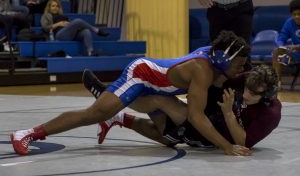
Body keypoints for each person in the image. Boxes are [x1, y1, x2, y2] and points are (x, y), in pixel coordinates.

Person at [10, 30, 252, 156]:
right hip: (142, 75)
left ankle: (112, 111)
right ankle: (27, 133)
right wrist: (225, 146)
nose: (241, 68)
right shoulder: (203, 70)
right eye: (239, 63)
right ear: (222, 57)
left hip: (158, 87)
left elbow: (227, 74)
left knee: (165, 136)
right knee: (92, 114)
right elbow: (196, 116)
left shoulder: (213, 56)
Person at [83, 64, 281, 149]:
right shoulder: (251, 80)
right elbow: (221, 81)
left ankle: (108, 98)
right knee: (166, 133)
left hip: (210, 137)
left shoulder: (271, 114)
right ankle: (116, 117)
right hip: (210, 116)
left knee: (160, 103)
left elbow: (244, 143)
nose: (245, 95)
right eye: (246, 89)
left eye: (253, 94)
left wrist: (228, 113)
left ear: (268, 96)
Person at [193, 0, 253, 70]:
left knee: (242, 50)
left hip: (241, 6)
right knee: (218, 53)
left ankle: (245, 80)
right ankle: (220, 81)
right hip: (216, 9)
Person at [40, 0, 109, 56]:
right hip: (59, 35)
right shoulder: (46, 16)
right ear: (49, 7)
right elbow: (45, 27)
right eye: (53, 6)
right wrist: (59, 24)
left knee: (86, 31)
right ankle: (97, 30)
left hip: (69, 33)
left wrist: (74, 26)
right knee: (78, 21)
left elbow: (70, 27)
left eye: (57, 6)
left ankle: (90, 52)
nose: (55, 8)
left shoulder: (63, 16)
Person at [272, 0, 300, 86]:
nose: (296, 17)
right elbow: (281, 38)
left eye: (299, 14)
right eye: (294, 14)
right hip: (296, 54)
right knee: (276, 51)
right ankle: (277, 81)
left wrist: (297, 47)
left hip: (297, 49)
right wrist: (280, 46)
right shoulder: (289, 23)